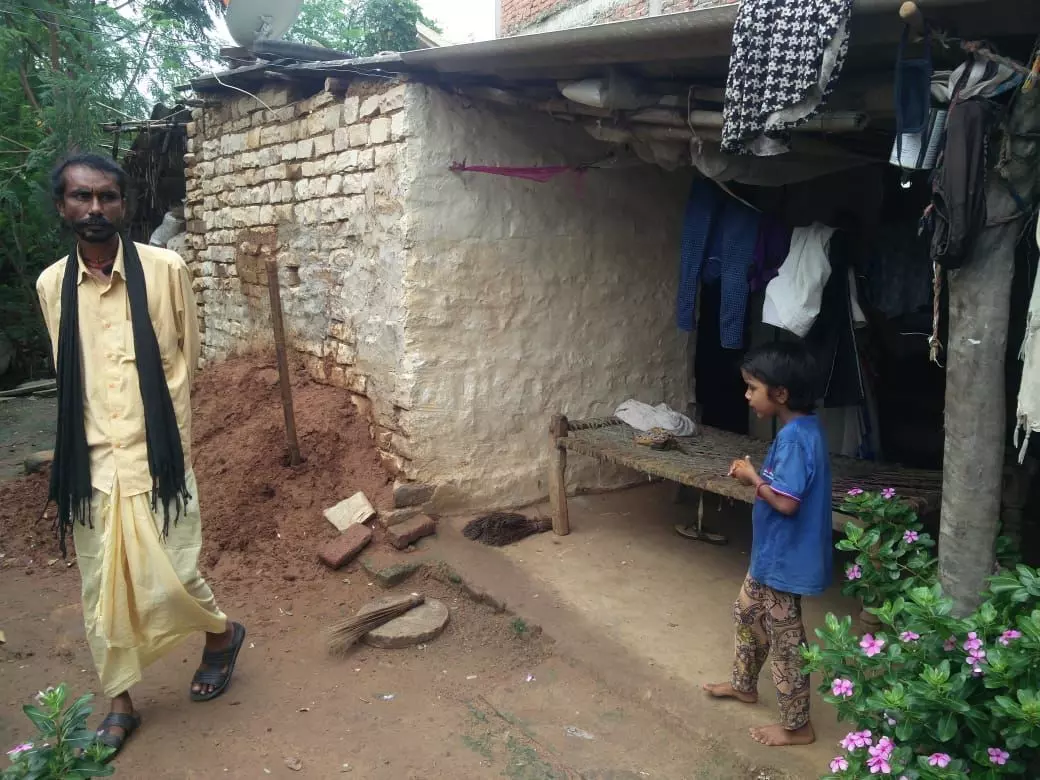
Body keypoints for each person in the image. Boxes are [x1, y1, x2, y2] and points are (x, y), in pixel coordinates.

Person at [36, 154, 246, 759]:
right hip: (91, 464)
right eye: (81, 197)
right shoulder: (52, 285)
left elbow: (187, 356)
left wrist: (168, 435)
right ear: (63, 207)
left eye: (107, 196)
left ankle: (221, 633)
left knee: (175, 572)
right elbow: (67, 371)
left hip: (159, 457)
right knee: (100, 586)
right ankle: (120, 699)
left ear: (124, 205)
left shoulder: (165, 269)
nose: (94, 208)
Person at [702, 341, 832, 747]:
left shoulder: (795, 439)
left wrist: (753, 479)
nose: (747, 395)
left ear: (781, 393)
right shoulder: (803, 430)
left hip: (784, 559)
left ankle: (797, 726)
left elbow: (787, 503)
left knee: (786, 641)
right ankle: (744, 685)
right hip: (771, 554)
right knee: (746, 613)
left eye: (752, 387)